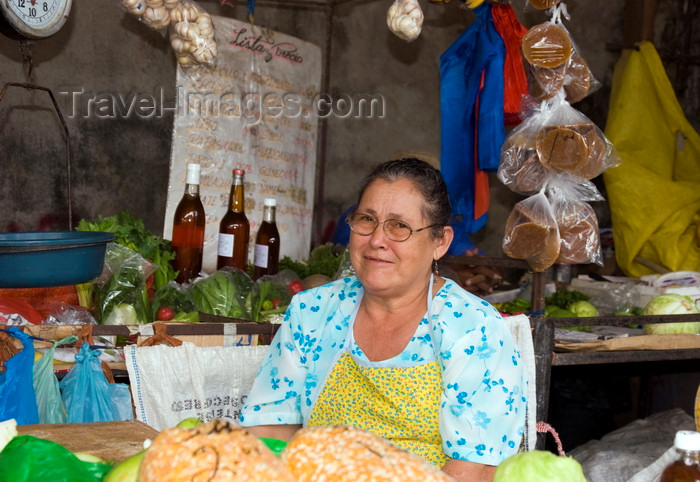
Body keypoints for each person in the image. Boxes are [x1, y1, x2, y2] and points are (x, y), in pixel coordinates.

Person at [240, 158, 527, 481]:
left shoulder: (473, 329)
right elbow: (269, 429)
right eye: (366, 220)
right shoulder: (314, 311)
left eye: (399, 226)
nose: (377, 239)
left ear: (440, 241)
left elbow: (475, 467)